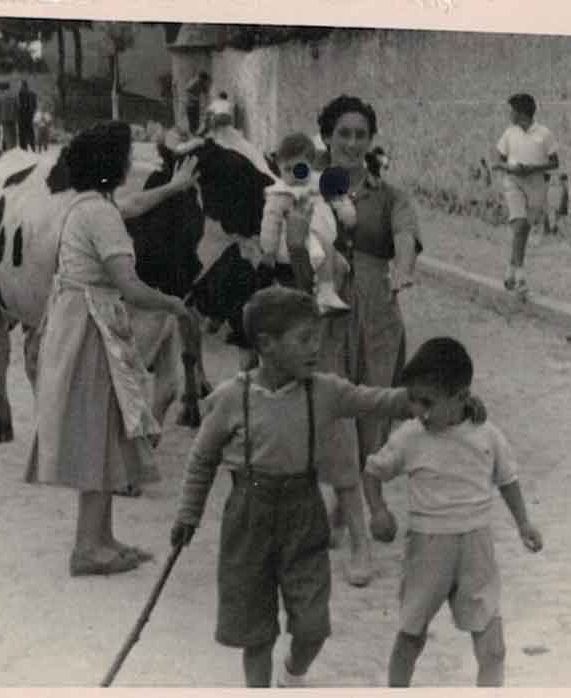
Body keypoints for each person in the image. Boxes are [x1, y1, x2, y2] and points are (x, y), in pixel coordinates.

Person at [170, 286, 418, 687]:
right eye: (304, 339)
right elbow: (202, 460)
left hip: (303, 516)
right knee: (256, 633)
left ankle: (291, 675)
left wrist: (423, 397)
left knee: (313, 626)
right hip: (248, 520)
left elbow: (376, 400)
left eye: (316, 338)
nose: (315, 348)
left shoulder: (324, 391)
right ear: (267, 345)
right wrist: (187, 514)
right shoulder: (233, 398)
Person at [26, 121, 197, 576]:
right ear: (111, 165)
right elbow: (130, 285)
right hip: (89, 327)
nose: (129, 164)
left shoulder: (88, 203)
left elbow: (136, 203)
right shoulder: (100, 215)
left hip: (81, 320)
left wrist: (176, 186)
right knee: (97, 431)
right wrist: (173, 304)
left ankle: (101, 538)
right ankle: (87, 547)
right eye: (124, 157)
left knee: (104, 429)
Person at [283, 95, 423, 584]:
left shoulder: (389, 196)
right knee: (337, 422)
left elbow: (404, 238)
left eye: (361, 134)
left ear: (371, 140)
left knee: (373, 424)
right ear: (327, 136)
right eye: (343, 133)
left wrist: (403, 270)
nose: (352, 143)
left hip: (379, 318)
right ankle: (362, 541)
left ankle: (354, 508)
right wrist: (298, 242)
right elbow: (299, 270)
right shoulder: (306, 189)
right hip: (325, 316)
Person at [364, 337, 543, 687]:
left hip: (476, 549)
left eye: (427, 402)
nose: (417, 409)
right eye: (413, 399)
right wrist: (378, 510)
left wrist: (524, 522)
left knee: (493, 648)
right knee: (411, 637)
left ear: (461, 397)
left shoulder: (487, 435)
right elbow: (373, 471)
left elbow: (507, 477)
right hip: (428, 550)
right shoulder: (410, 437)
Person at [259, 132, 349, 315]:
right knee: (300, 288)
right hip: (294, 252)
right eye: (287, 169)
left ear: (310, 165)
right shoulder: (281, 194)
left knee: (339, 265)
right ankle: (319, 299)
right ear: (279, 168)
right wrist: (268, 250)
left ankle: (328, 298)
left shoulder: (315, 181)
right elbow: (270, 223)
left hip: (321, 241)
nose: (292, 175)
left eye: (299, 169)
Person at [492, 93, 559, 294]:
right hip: (513, 182)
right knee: (519, 224)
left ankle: (511, 269)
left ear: (521, 113)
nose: (510, 114)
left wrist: (533, 168)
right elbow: (498, 158)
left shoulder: (544, 134)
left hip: (536, 184)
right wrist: (509, 167)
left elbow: (555, 162)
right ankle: (520, 275)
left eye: (512, 110)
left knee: (524, 228)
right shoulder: (509, 133)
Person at [184, 71, 210, 135]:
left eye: (205, 81)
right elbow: (187, 92)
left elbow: (206, 92)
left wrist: (207, 101)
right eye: (204, 80)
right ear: (200, 78)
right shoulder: (193, 82)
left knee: (197, 119)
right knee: (192, 120)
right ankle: (192, 133)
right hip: (190, 104)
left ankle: (196, 133)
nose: (204, 82)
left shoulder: (202, 83)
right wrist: (194, 97)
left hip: (196, 103)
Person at [0, 81, 18, 151]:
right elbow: (18, 106)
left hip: (4, 118)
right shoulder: (14, 95)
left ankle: (10, 150)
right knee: (13, 135)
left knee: (7, 135)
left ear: (2, 88)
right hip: (13, 118)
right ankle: (14, 149)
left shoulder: (0, 96)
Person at [17, 80, 38, 151]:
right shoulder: (32, 94)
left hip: (23, 116)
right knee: (30, 132)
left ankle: (25, 148)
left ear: (23, 86)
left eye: (21, 86)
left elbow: (18, 106)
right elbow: (35, 105)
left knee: (23, 133)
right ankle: (32, 147)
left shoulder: (20, 94)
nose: (21, 88)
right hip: (28, 116)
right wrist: (32, 113)